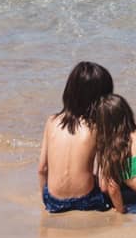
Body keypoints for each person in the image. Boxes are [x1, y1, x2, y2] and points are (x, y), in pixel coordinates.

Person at [37, 60, 116, 213]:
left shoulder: (51, 121)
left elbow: (42, 169)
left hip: (53, 201)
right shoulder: (98, 127)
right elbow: (104, 182)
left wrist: (46, 200)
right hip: (85, 201)